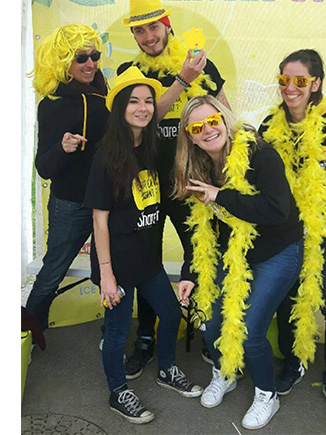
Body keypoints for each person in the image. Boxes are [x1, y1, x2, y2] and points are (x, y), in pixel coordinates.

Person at [115, 0, 232, 378]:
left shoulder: (202, 64)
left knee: (201, 254)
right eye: (140, 30)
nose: (149, 37)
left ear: (167, 26)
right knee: (144, 262)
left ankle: (208, 334)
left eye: (154, 27)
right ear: (133, 34)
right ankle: (145, 339)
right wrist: (181, 81)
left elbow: (225, 118)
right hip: (145, 184)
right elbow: (145, 123)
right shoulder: (128, 72)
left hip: (190, 183)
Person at [174, 95, 304, 430]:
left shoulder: (260, 154)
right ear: (190, 135)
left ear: (225, 117)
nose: (208, 131)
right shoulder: (199, 166)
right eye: (198, 127)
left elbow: (278, 211)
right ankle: (225, 372)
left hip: (277, 251)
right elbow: (203, 231)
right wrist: (190, 273)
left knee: (251, 331)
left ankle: (266, 394)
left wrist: (223, 196)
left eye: (213, 121)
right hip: (233, 252)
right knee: (213, 322)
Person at [84, 67, 203, 424]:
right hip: (115, 263)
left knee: (168, 314)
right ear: (120, 106)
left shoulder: (152, 145)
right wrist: (105, 274)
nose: (143, 107)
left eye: (148, 101)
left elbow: (166, 111)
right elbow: (99, 220)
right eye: (133, 101)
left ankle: (166, 369)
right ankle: (117, 391)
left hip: (146, 258)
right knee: (119, 332)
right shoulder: (106, 156)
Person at [258, 49, 326, 420]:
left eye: (300, 81)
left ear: (316, 84)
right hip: (284, 235)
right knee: (288, 300)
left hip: (324, 233)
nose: (290, 87)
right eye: (284, 79)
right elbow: (256, 178)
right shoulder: (270, 127)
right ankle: (293, 363)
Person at [25, 24, 109, 333]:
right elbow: (43, 167)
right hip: (70, 204)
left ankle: (111, 334)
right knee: (51, 274)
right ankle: (28, 336)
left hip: (106, 202)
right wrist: (62, 148)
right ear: (63, 63)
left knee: (108, 273)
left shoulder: (105, 95)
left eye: (94, 56)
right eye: (81, 58)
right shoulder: (52, 105)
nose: (90, 63)